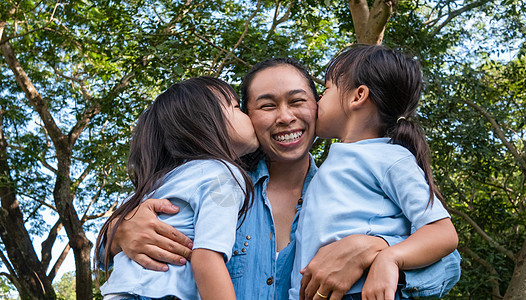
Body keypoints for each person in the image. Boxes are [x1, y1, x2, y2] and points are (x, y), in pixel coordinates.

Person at [103, 58, 461, 300]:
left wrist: (376, 248)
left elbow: (449, 264)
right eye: (267, 105)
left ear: (318, 106)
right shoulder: (221, 186)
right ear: (246, 116)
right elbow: (113, 252)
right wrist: (119, 230)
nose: (286, 116)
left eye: (298, 100)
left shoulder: (354, 194)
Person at [289, 45, 459, 300]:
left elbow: (443, 233)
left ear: (357, 96)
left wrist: (391, 257)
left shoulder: (390, 157)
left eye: (325, 90)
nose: (318, 101)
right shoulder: (333, 163)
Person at [94, 76, 259, 300]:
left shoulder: (159, 183)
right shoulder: (224, 175)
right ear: (208, 123)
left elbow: (102, 253)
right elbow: (207, 258)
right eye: (238, 107)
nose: (247, 116)